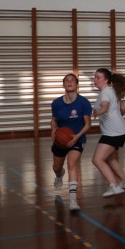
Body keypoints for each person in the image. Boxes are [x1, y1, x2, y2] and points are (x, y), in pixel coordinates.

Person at [51, 73, 92, 212]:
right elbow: (54, 120)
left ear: (76, 85)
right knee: (56, 167)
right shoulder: (56, 103)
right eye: (67, 81)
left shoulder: (83, 102)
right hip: (61, 140)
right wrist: (53, 130)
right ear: (63, 85)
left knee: (71, 163)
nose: (69, 82)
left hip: (77, 138)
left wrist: (77, 136)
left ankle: (73, 200)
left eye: (72, 80)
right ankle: (59, 175)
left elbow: (87, 124)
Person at [92, 68, 125, 197]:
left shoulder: (105, 92)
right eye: (94, 77)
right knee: (110, 158)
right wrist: (116, 117)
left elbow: (104, 106)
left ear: (106, 80)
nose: (95, 80)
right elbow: (123, 108)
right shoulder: (114, 91)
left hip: (113, 132)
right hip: (119, 130)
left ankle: (113, 186)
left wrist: (97, 112)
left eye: (98, 77)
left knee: (97, 159)